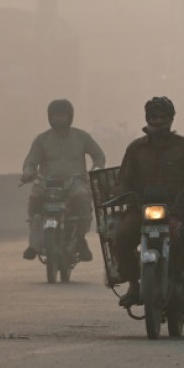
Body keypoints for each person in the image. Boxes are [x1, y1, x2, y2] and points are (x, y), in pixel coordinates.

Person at [112, 97, 184, 308]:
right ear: (147, 119)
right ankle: (134, 285)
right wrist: (120, 192)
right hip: (142, 209)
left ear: (171, 119)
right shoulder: (135, 149)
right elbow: (123, 179)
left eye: (163, 117)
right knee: (121, 239)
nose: (158, 122)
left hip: (181, 208)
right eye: (154, 117)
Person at [21, 99, 106, 261]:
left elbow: (98, 155)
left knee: (82, 196)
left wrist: (98, 168)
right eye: (55, 116)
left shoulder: (82, 137)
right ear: (49, 118)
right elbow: (31, 162)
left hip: (75, 181)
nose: (58, 119)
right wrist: (28, 172)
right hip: (47, 183)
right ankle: (34, 244)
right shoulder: (41, 140)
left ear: (70, 117)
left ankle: (80, 239)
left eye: (62, 116)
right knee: (35, 199)